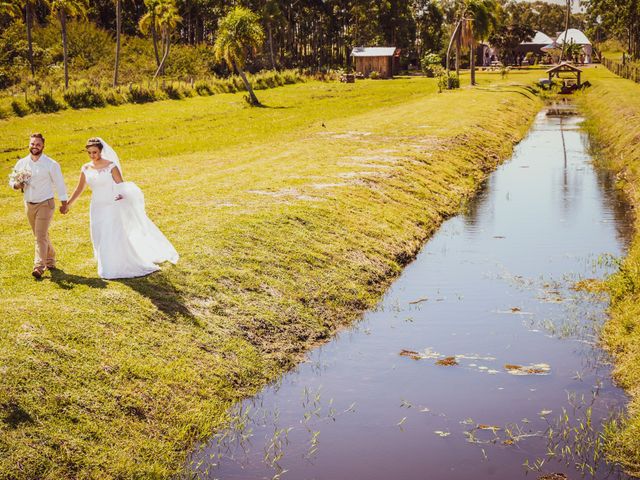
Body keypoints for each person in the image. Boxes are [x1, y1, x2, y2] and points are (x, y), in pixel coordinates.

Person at [63, 137, 178, 279]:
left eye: (95, 152)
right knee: (98, 232)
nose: (92, 155)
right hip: (97, 206)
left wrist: (122, 195)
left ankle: (114, 265)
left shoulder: (111, 166)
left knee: (110, 233)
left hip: (111, 205)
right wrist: (68, 203)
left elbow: (121, 185)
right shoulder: (86, 168)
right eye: (89, 153)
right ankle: (105, 262)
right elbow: (79, 188)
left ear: (101, 151)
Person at [9, 133, 68, 279]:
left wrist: (64, 203)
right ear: (29, 144)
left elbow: (60, 184)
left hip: (45, 203)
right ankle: (50, 258)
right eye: (32, 144)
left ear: (43, 146)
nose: (35, 147)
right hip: (29, 204)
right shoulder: (22, 163)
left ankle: (39, 266)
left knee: (40, 236)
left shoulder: (51, 164)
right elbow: (12, 180)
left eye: (38, 144)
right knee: (40, 234)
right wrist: (17, 185)